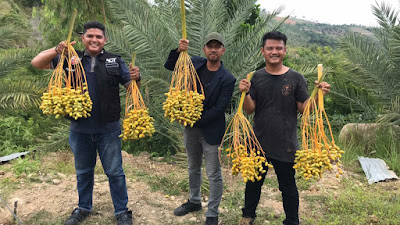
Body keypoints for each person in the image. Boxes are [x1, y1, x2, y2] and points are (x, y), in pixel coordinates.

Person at [31, 21, 141, 225]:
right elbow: (36, 63)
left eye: (99, 37)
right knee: (83, 172)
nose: (94, 40)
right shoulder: (69, 58)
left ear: (105, 40)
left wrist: (137, 77)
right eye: (90, 36)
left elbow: (131, 87)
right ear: (83, 38)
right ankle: (83, 208)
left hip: (109, 129)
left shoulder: (115, 61)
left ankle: (122, 211)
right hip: (80, 129)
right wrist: (57, 49)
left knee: (115, 172)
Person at [237, 31, 331, 225]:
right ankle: (248, 216)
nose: (274, 51)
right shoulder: (255, 77)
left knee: (288, 187)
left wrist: (317, 95)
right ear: (262, 51)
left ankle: (292, 221)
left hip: (286, 142)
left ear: (285, 51)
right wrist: (245, 93)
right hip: (258, 142)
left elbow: (305, 110)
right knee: (253, 184)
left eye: (279, 48)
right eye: (270, 48)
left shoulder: (296, 78)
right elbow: (249, 110)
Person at [164, 32, 236, 225]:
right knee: (193, 167)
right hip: (191, 128)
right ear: (204, 49)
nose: (213, 49)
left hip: (210, 130)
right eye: (209, 46)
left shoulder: (227, 78)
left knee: (213, 173)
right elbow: (170, 65)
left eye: (217, 46)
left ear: (222, 50)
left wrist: (193, 118)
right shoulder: (194, 63)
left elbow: (220, 108)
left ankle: (212, 213)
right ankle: (194, 201)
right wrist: (179, 50)